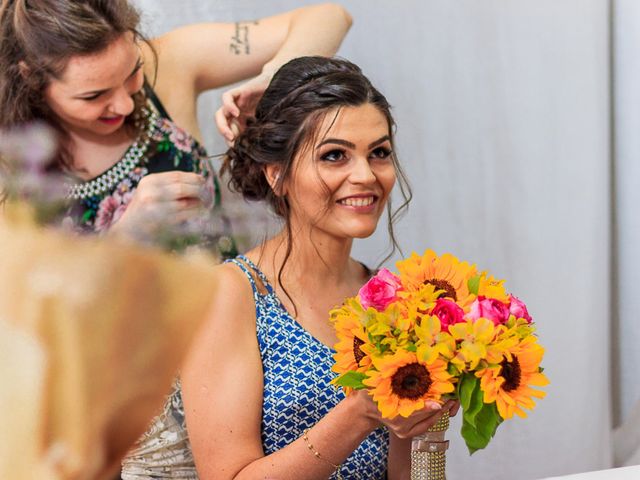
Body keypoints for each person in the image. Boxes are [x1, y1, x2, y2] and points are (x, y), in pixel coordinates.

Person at [181, 56, 460, 480]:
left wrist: (425, 422)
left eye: (379, 153)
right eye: (334, 156)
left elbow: (406, 475)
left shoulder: (392, 298)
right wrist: (359, 414)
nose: (365, 175)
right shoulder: (231, 293)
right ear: (277, 174)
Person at [0, 0, 352, 251]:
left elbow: (330, 17)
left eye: (132, 72)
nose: (124, 103)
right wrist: (125, 236)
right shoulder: (11, 165)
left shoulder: (167, 63)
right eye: (94, 96)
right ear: (30, 79)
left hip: (230, 327)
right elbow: (29, 318)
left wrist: (271, 77)